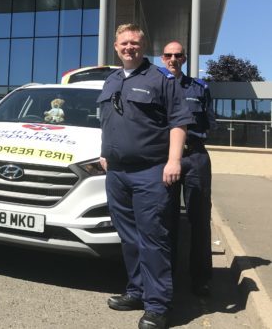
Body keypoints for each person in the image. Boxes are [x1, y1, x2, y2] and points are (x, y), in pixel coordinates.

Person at [97, 24, 193, 329]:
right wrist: (105, 152)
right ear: (115, 47)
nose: (129, 48)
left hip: (151, 172)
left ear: (143, 45)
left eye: (135, 43)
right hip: (117, 173)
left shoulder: (161, 79)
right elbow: (108, 120)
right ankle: (137, 291)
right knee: (129, 239)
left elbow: (179, 122)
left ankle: (158, 306)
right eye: (124, 43)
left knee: (154, 239)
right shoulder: (111, 79)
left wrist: (174, 160)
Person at [161, 41, 215, 296]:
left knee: (199, 220)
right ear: (162, 58)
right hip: (162, 158)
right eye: (168, 55)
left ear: (184, 59)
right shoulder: (155, 86)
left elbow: (209, 122)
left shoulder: (199, 87)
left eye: (177, 55)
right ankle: (166, 279)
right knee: (164, 219)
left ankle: (201, 279)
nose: (173, 59)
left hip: (194, 157)